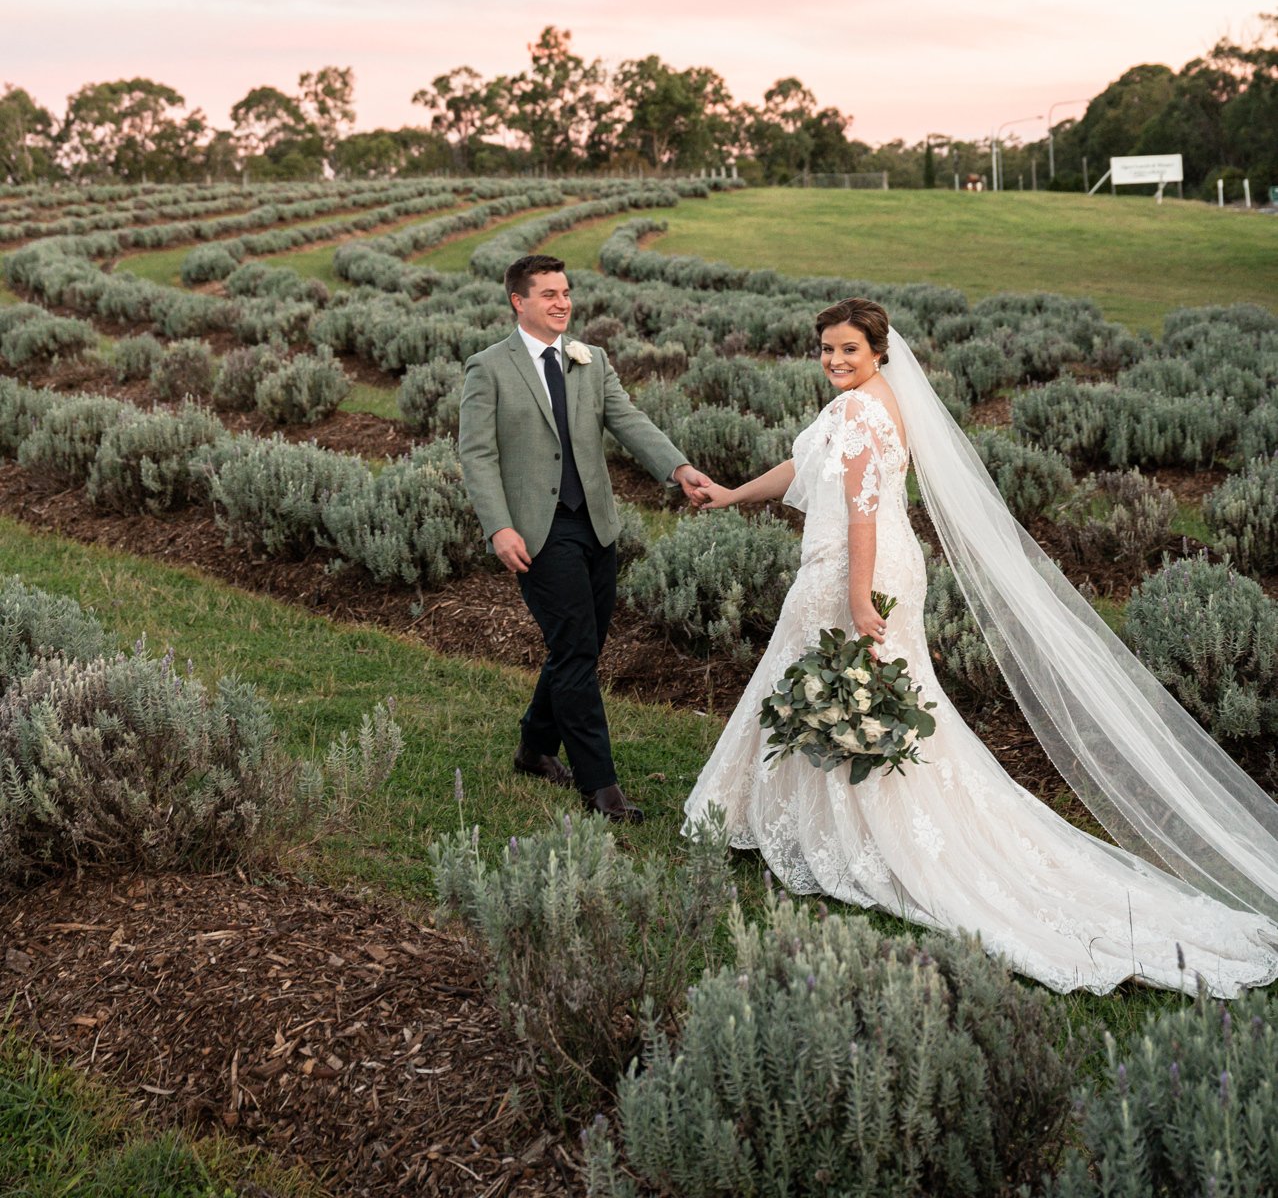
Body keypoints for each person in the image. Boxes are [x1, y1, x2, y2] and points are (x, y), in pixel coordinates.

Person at [684, 296, 1278, 995]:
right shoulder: (875, 400)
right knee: (846, 694)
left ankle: (846, 832)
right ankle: (809, 820)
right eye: (826, 349)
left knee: (832, 690)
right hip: (877, 566)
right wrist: (729, 494)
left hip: (857, 569)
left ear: (879, 350)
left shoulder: (858, 409)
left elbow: (863, 508)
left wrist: (856, 594)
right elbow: (803, 469)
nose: (835, 360)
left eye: (848, 348)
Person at [459, 252, 713, 824]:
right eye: (548, 293)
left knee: (583, 645)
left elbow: (626, 420)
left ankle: (534, 747)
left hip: (595, 524)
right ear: (517, 302)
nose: (562, 302)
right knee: (575, 649)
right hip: (535, 531)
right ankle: (601, 788)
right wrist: (498, 526)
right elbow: (477, 453)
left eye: (566, 291)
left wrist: (678, 469)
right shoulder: (489, 367)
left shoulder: (590, 359)